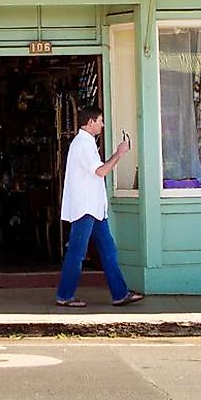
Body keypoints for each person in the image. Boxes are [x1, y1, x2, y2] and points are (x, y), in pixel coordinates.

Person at [55, 106, 142, 308]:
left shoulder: (87, 144)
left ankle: (120, 294)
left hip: (94, 208)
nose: (103, 124)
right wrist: (119, 154)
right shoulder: (82, 145)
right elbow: (101, 171)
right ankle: (64, 295)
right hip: (85, 208)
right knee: (77, 252)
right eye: (100, 120)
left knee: (108, 250)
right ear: (91, 121)